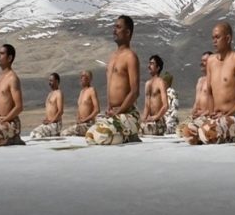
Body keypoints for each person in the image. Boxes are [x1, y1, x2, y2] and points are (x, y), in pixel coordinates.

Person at [182, 22, 235, 145]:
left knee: (207, 132)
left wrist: (229, 112)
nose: (214, 41)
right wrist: (211, 114)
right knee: (188, 132)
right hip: (216, 116)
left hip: (234, 116)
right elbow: (210, 92)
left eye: (217, 37)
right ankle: (219, 134)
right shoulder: (211, 61)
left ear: (228, 38)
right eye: (213, 38)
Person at [86, 15, 141, 145]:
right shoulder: (112, 58)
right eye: (114, 27)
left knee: (101, 136)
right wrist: (110, 108)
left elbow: (135, 91)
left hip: (127, 113)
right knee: (89, 136)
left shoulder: (130, 57)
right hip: (114, 112)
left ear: (127, 32)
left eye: (118, 27)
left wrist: (120, 110)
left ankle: (130, 135)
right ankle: (121, 133)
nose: (114, 30)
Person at [176, 51, 213, 137]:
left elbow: (217, 103)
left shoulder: (214, 80)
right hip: (197, 115)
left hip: (207, 115)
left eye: (205, 61)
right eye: (201, 60)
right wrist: (192, 114)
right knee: (179, 130)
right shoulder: (200, 80)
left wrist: (204, 113)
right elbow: (196, 102)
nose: (202, 63)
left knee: (189, 131)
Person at [61, 70, 100, 137]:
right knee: (64, 133)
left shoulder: (91, 90)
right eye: (81, 76)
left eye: (85, 76)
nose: (82, 78)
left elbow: (97, 110)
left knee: (65, 133)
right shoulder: (81, 92)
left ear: (89, 79)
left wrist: (85, 120)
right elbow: (80, 109)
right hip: (81, 124)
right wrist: (78, 119)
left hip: (88, 124)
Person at [139, 55, 168, 136]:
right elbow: (147, 106)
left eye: (152, 64)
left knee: (146, 130)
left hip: (158, 120)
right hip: (149, 120)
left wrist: (155, 117)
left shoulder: (161, 82)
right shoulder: (147, 84)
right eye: (149, 63)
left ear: (158, 67)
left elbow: (166, 106)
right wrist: (143, 119)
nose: (149, 66)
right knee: (136, 130)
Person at [29, 73, 64, 139]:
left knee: (38, 135)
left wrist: (51, 121)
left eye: (51, 81)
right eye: (49, 81)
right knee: (33, 133)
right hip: (49, 123)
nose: (49, 83)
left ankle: (55, 134)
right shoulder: (50, 94)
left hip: (55, 124)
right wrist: (46, 119)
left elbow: (60, 111)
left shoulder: (59, 93)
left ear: (56, 81)